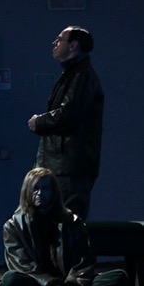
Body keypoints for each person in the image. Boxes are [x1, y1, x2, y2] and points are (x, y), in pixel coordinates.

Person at [0, 168, 127, 286]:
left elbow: (83, 260)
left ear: (53, 192)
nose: (40, 194)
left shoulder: (72, 222)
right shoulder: (13, 226)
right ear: (27, 191)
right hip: (38, 284)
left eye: (45, 188)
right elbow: (22, 265)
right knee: (10, 280)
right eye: (35, 189)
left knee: (118, 277)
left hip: (69, 285)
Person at [27, 25, 103, 219]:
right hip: (64, 165)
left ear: (73, 45)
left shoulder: (81, 76)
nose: (54, 43)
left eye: (60, 39)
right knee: (55, 222)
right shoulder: (73, 74)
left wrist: (40, 122)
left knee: (66, 222)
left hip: (69, 166)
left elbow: (69, 114)